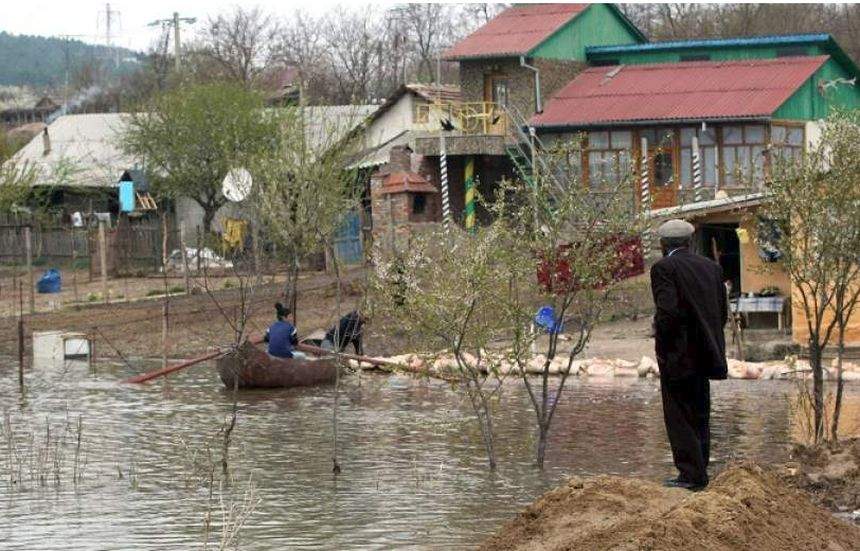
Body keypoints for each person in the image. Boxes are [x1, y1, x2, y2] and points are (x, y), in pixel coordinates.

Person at [650, 219, 727, 491]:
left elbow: (667, 312)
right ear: (690, 242)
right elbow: (722, 313)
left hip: (677, 356)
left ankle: (690, 476)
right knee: (700, 412)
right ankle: (700, 470)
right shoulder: (711, 268)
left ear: (663, 245)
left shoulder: (663, 268)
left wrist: (661, 340)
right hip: (706, 353)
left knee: (679, 415)